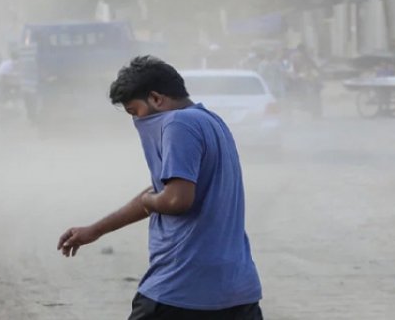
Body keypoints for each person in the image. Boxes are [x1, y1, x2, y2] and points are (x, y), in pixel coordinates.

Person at [57, 56, 263, 320]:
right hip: (237, 291)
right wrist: (95, 230)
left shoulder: (179, 124)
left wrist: (149, 202)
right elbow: (161, 190)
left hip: (182, 288)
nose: (136, 122)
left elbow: (175, 200)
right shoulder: (212, 122)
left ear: (156, 99)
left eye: (134, 111)